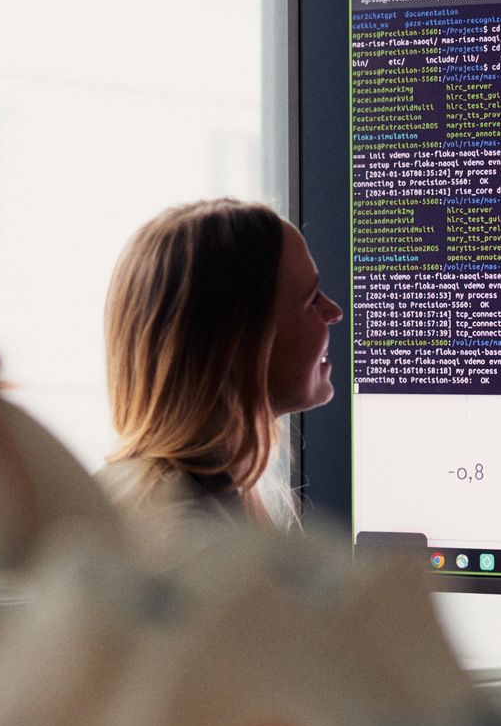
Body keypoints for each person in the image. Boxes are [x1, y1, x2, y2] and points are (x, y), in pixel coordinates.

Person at [99, 199, 343, 530]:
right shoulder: (193, 538)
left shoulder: (139, 495)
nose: (334, 312)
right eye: (311, 300)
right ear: (242, 343)